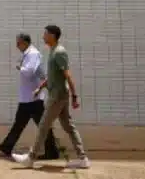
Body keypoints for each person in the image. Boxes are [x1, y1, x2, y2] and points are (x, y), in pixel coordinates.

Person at [12, 25, 91, 169]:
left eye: (45, 34)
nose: (43, 36)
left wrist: (74, 96)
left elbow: (67, 75)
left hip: (57, 96)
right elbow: (53, 76)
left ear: (52, 36)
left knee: (43, 126)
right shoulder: (53, 51)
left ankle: (30, 158)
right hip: (58, 95)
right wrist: (40, 88)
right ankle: (83, 158)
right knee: (68, 126)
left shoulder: (59, 52)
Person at [0, 33, 60, 160]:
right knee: (20, 123)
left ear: (25, 42)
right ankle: (7, 146)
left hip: (33, 97)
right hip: (28, 97)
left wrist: (20, 67)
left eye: (18, 43)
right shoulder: (28, 54)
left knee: (42, 125)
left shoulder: (33, 54)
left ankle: (52, 151)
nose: (17, 46)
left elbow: (30, 71)